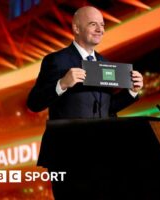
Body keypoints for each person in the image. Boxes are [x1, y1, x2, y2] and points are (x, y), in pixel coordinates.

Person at [26, 6, 143, 199]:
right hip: (67, 154)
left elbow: (108, 108)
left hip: (102, 154)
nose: (100, 29)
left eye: (102, 25)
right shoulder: (56, 60)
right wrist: (62, 84)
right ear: (77, 29)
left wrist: (131, 92)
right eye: (93, 24)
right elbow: (34, 103)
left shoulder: (106, 63)